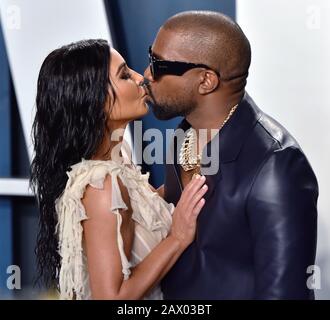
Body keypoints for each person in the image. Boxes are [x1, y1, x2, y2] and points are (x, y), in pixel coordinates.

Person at [144, 11, 318, 299]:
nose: (147, 75)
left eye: (158, 65)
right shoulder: (184, 135)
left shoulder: (276, 165)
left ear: (206, 81)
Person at [30, 39, 208, 300]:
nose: (141, 78)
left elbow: (143, 213)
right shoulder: (102, 186)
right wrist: (178, 238)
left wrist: (193, 168)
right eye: (125, 75)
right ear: (96, 100)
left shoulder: (116, 158)